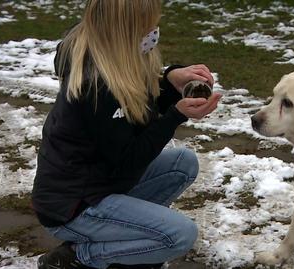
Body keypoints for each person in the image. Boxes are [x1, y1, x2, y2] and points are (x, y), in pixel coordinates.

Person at [31, 1, 221, 268]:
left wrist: (169, 81)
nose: (153, 32)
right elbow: (128, 160)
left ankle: (125, 239)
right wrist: (176, 115)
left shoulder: (110, 57)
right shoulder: (96, 86)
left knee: (182, 163)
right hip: (72, 206)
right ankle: (78, 257)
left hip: (101, 182)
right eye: (147, 27)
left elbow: (137, 115)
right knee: (178, 235)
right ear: (125, 31)